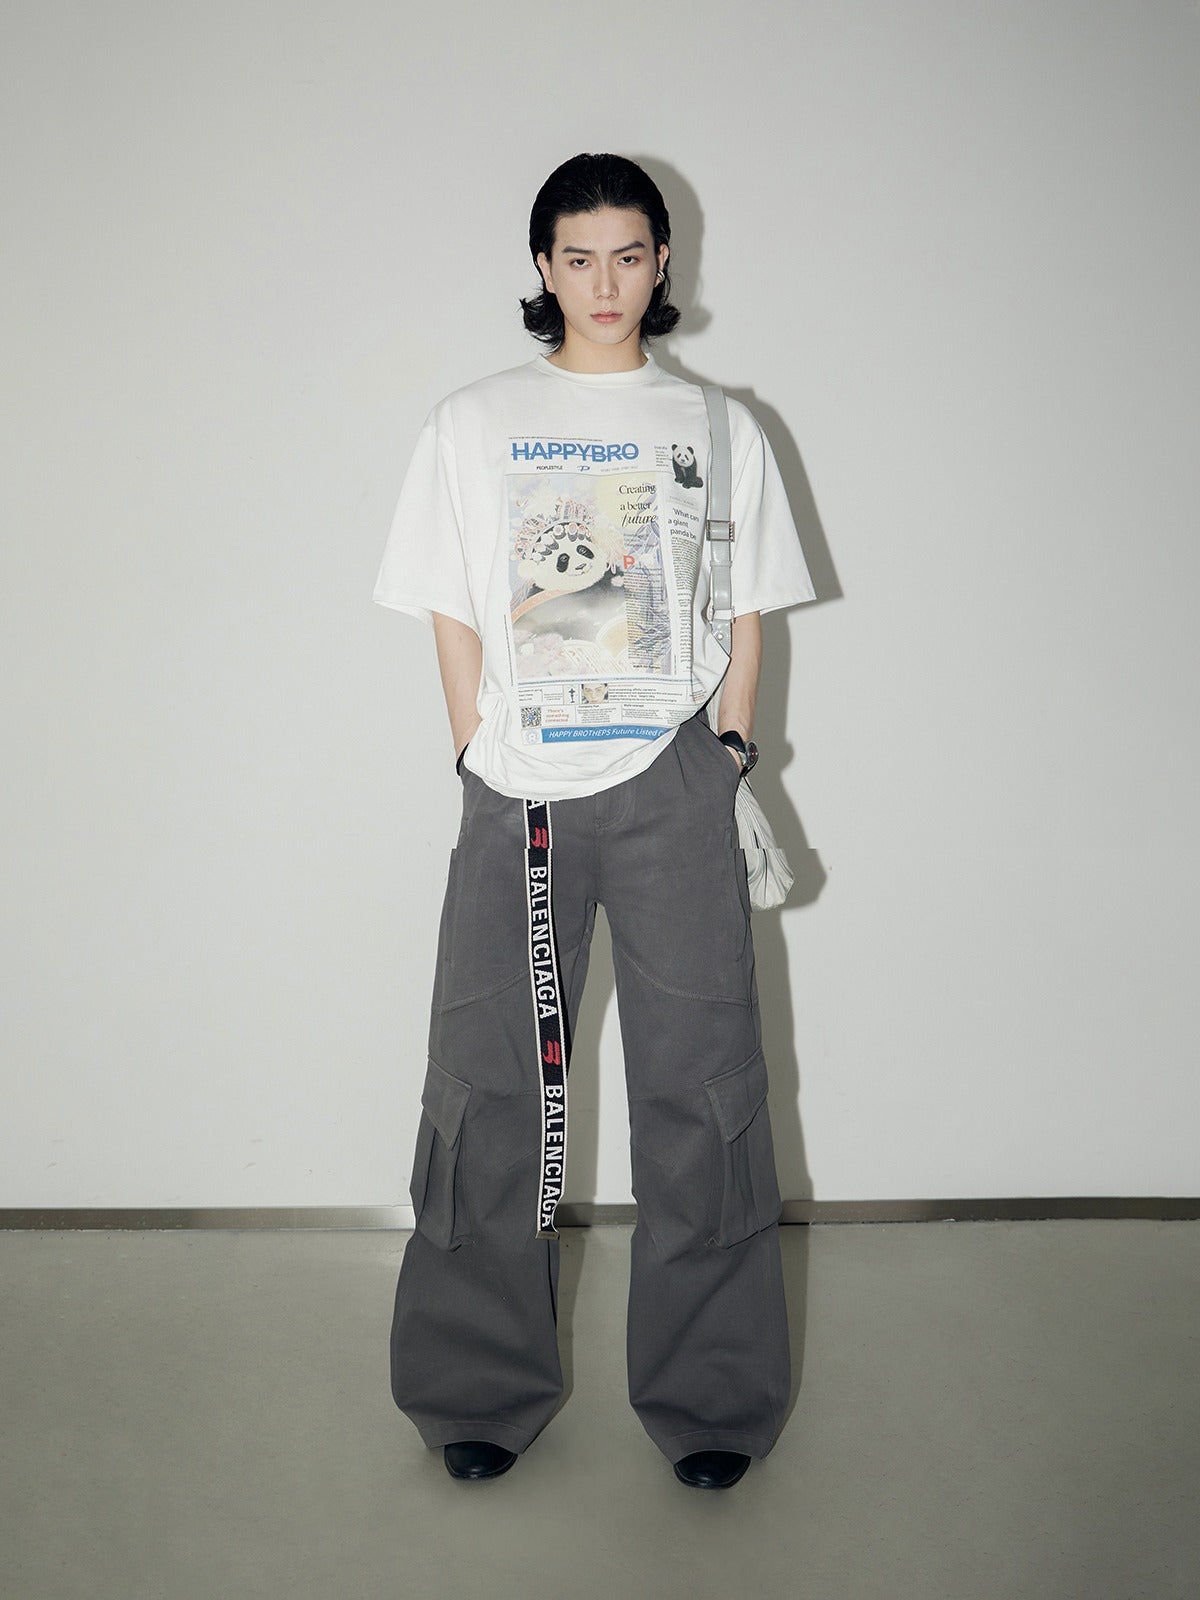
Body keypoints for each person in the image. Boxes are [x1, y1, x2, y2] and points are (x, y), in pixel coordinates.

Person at [373, 152, 816, 1490]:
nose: (605, 282)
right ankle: (475, 1388)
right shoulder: (472, 421)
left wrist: (727, 749)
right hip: (519, 793)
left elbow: (745, 607)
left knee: (704, 1086)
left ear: (663, 261)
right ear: (544, 269)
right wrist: (474, 743)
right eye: (579, 258)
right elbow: (449, 599)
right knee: (490, 1083)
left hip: (674, 784)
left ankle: (713, 1399)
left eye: (629, 254)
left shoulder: (721, 426)